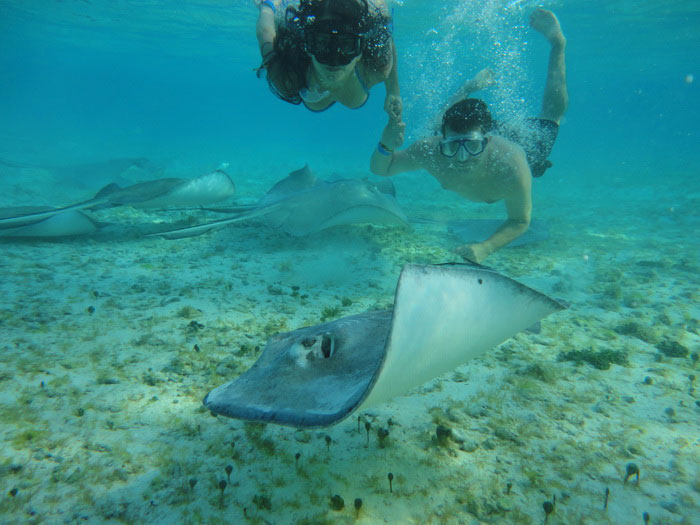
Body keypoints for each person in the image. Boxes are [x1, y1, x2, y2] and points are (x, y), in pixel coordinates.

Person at [370, 8, 568, 263]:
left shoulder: (513, 163)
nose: (462, 158)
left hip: (513, 146)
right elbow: (381, 169)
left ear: (488, 140)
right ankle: (468, 88)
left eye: (473, 147)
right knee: (439, 121)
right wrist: (386, 142)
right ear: (442, 141)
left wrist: (485, 248)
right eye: (453, 147)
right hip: (460, 133)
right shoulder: (431, 150)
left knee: (552, 116)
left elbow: (519, 220)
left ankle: (558, 44)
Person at [255, 0, 402, 122]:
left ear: (361, 50)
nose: (333, 60)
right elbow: (265, 32)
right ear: (307, 46)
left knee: (381, 18)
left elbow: (265, 33)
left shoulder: (375, 69)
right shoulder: (291, 77)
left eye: (346, 45)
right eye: (321, 43)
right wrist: (267, 5)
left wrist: (393, 92)